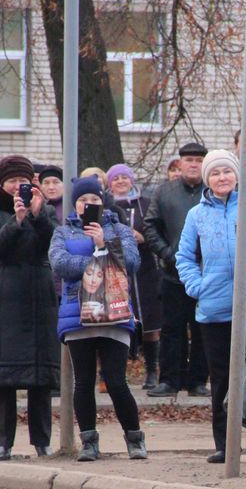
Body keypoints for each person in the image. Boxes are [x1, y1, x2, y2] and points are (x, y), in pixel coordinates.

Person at [176, 149, 246, 464]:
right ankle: (225, 443)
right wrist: (197, 287)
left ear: (237, 176)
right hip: (213, 309)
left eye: (227, 172)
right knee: (220, 379)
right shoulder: (197, 215)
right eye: (216, 173)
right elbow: (184, 257)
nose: (222, 178)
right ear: (208, 178)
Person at [49, 176, 147, 461]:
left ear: (102, 202)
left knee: (116, 381)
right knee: (83, 381)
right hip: (77, 314)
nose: (88, 205)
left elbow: (132, 262)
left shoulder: (118, 228)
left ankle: (135, 438)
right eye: (82, 201)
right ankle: (89, 442)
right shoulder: (63, 232)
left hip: (114, 312)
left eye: (93, 200)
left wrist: (104, 243)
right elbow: (59, 263)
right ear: (75, 204)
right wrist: (99, 259)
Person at [0, 155, 60, 460]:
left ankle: (42, 441)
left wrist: (38, 215)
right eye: (12, 181)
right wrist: (18, 219)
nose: (18, 187)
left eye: (23, 182)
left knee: (40, 376)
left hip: (39, 291)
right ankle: (3, 443)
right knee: (3, 378)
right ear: (2, 184)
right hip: (5, 294)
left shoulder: (47, 210)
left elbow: (52, 242)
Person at [143, 143, 209, 398]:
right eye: (189, 160)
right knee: (172, 329)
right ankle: (169, 379)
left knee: (202, 328)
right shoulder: (164, 192)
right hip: (173, 274)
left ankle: (198, 381)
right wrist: (168, 254)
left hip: (206, 274)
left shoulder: (213, 192)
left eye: (198, 160)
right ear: (180, 164)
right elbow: (150, 227)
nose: (193, 164)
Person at [107, 163, 162, 390]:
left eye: (124, 177)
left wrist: (143, 238)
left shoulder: (145, 205)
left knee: (149, 321)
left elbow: (156, 230)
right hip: (114, 269)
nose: (120, 181)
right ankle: (113, 374)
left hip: (145, 271)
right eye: (116, 178)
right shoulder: (105, 205)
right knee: (117, 321)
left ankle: (151, 371)